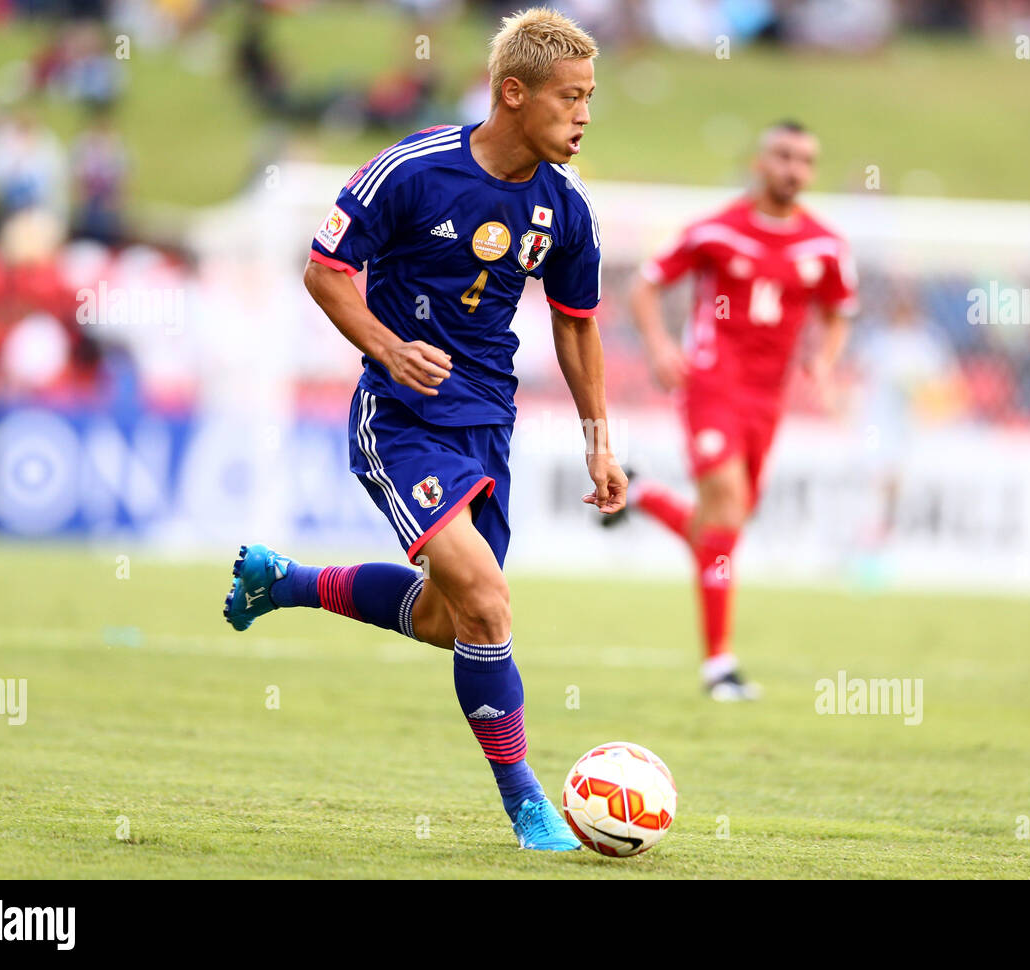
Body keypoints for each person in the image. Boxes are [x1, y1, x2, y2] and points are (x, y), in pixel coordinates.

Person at [223, 8, 627, 852]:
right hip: (400, 418)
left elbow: (578, 322)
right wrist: (387, 347)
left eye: (590, 97)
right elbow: (326, 269)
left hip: (489, 424)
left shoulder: (566, 206)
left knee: (452, 620)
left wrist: (599, 439)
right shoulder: (413, 169)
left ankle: (284, 583)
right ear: (512, 93)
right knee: (486, 599)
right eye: (570, 97)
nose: (585, 114)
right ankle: (528, 806)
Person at [611, 121, 855, 700]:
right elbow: (643, 286)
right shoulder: (715, 232)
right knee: (726, 508)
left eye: (805, 160)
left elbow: (839, 311)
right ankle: (719, 666)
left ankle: (642, 494)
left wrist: (824, 359)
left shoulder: (824, 245)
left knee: (721, 528)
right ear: (760, 162)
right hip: (712, 385)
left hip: (769, 400)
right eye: (784, 156)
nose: (794, 169)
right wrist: (660, 345)